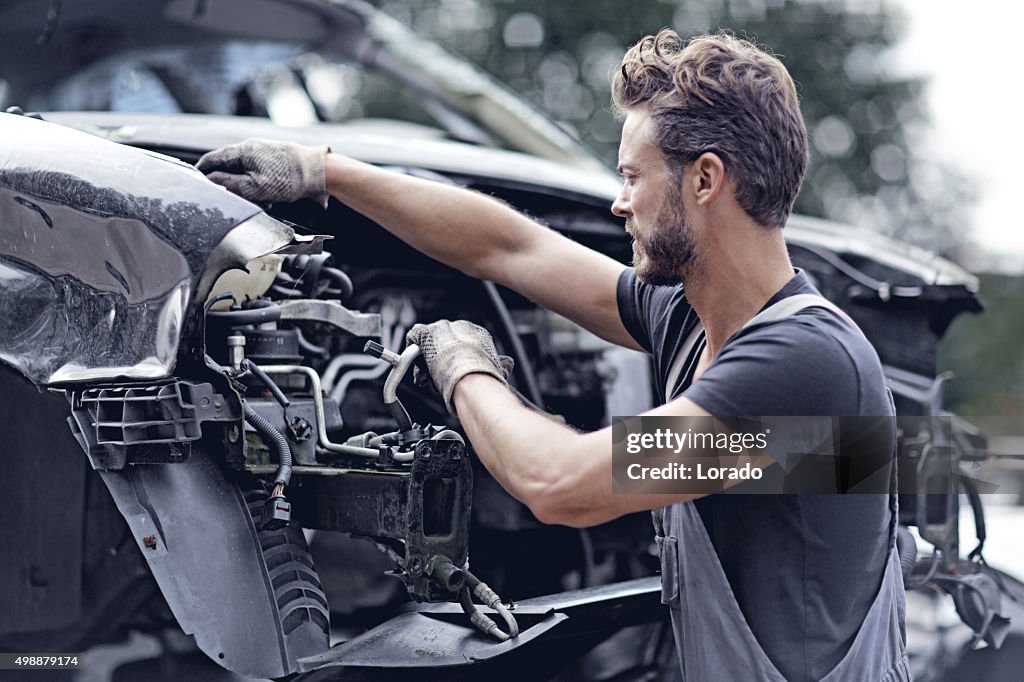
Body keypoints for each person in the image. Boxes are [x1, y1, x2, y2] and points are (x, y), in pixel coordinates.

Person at [198, 29, 909, 682]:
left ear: (705, 180)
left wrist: (462, 365)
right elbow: (512, 247)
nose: (618, 204)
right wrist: (325, 171)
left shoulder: (808, 366)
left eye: (633, 176)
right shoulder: (691, 319)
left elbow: (560, 485)